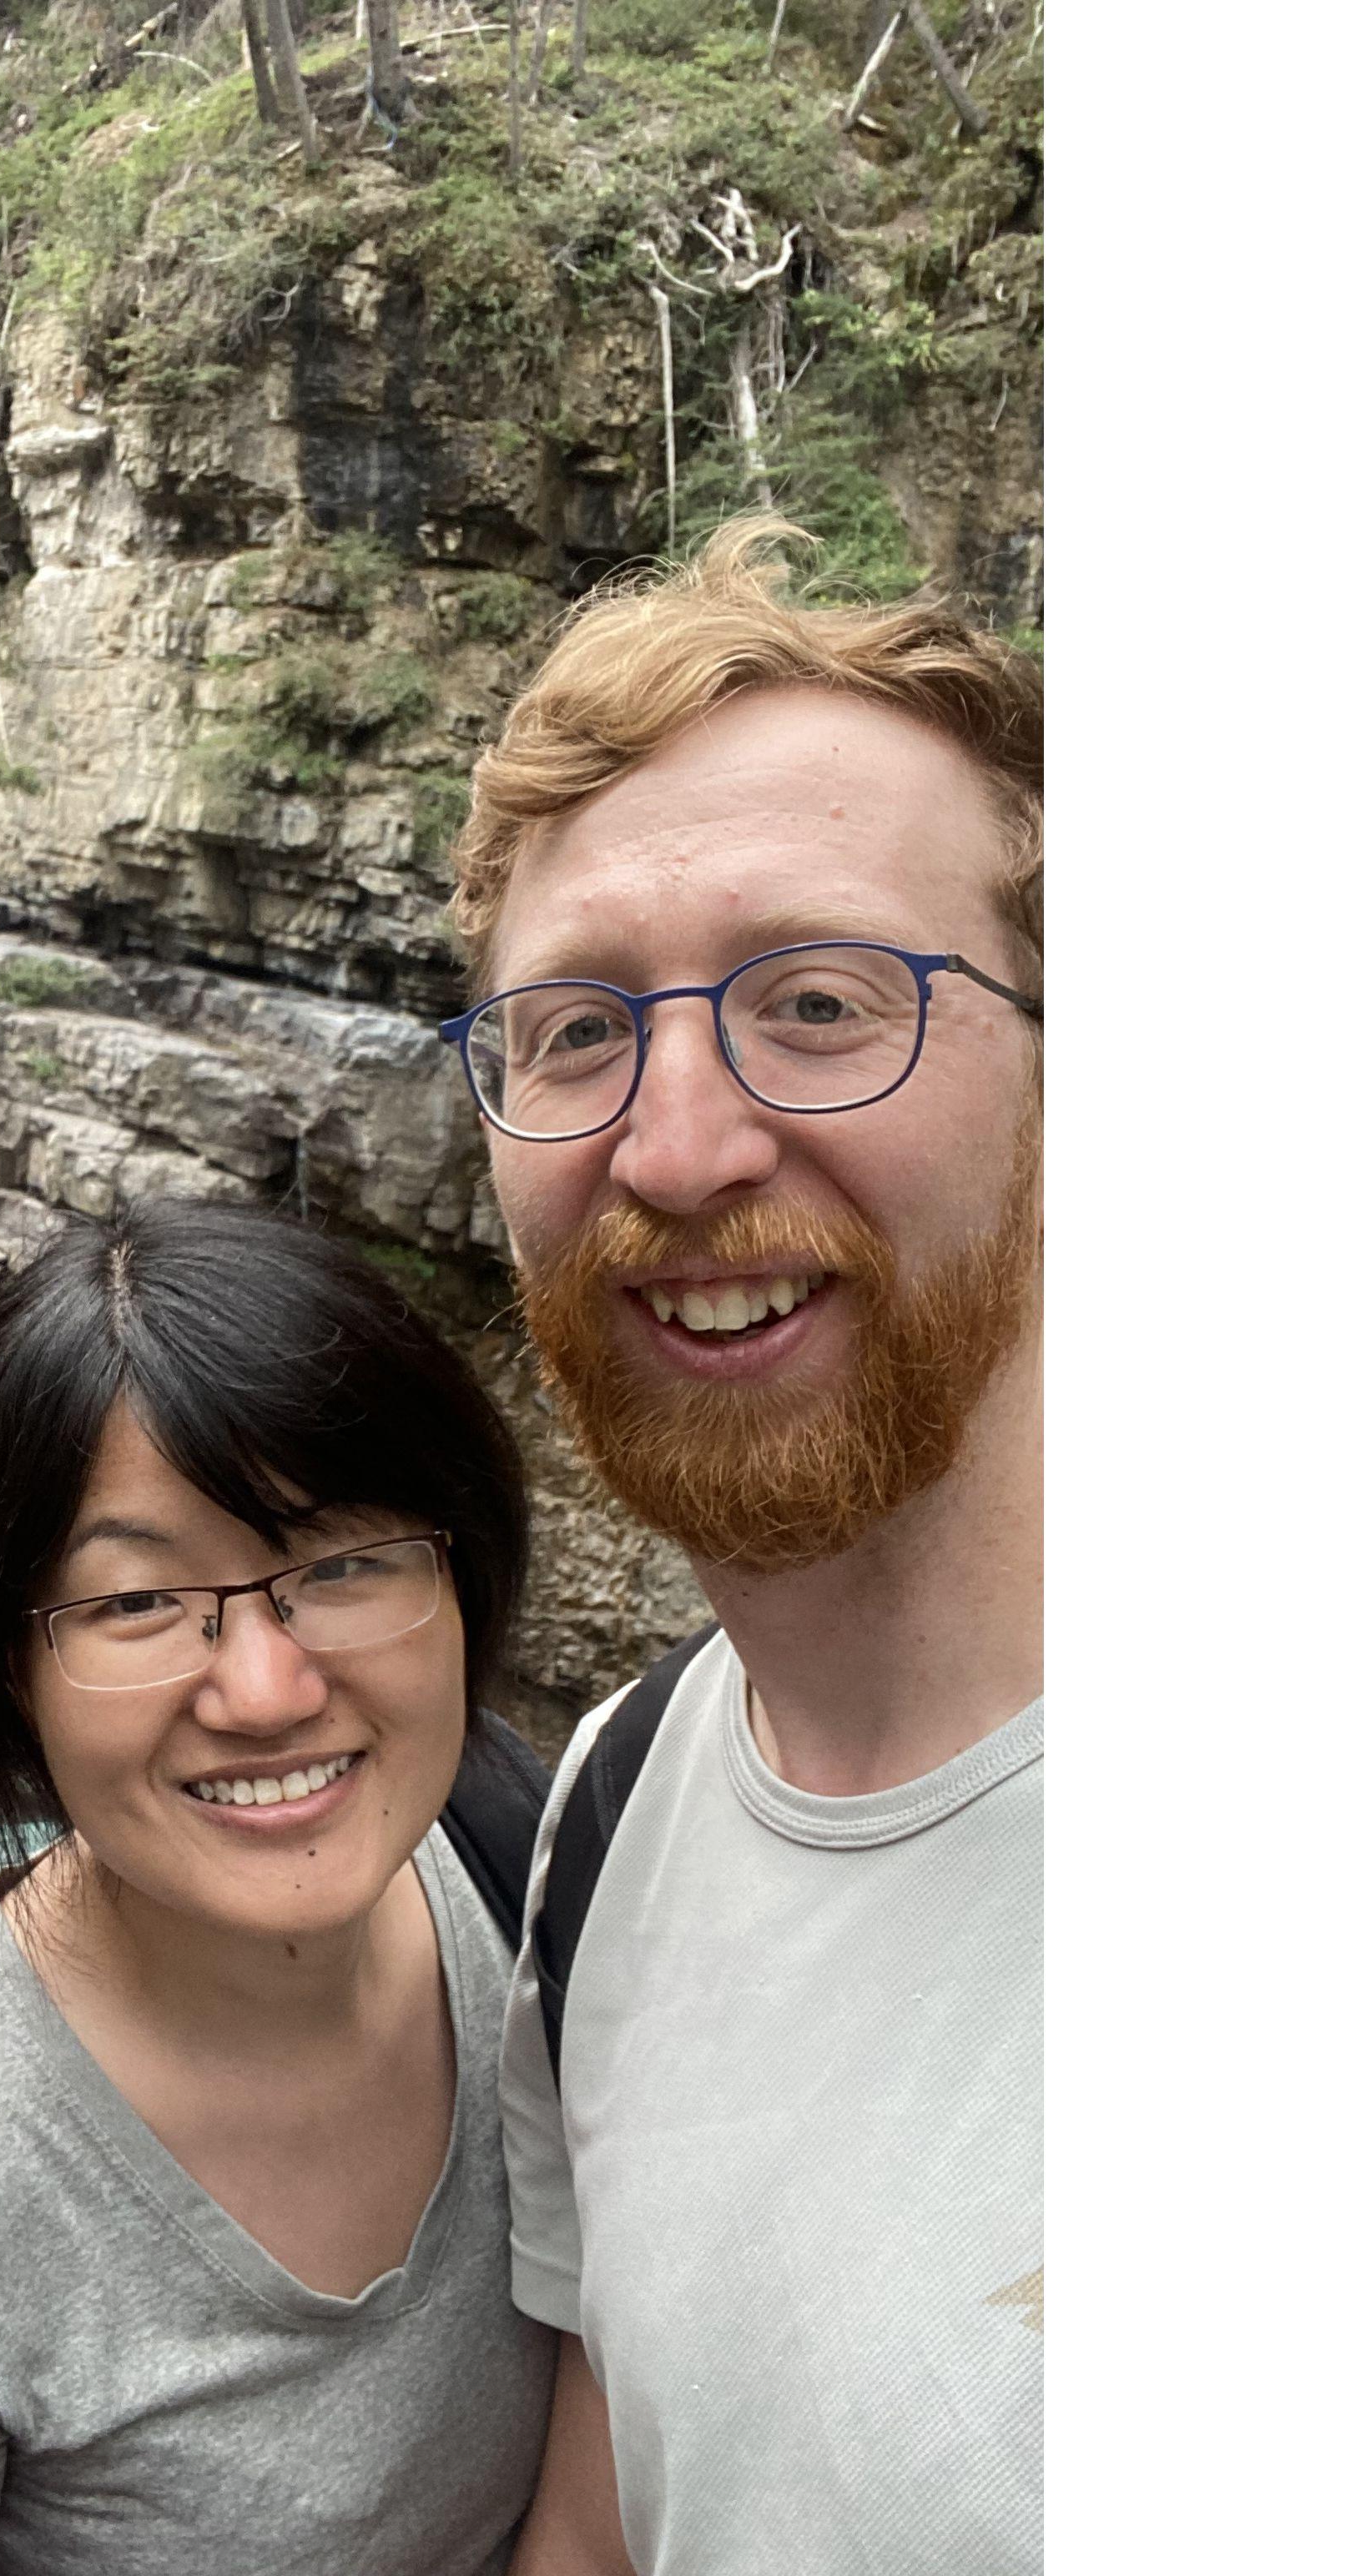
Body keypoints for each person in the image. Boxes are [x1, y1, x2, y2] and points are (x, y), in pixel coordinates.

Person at [436, 519, 1044, 2575]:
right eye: (574, 1032)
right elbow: (612, 2513)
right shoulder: (603, 1809)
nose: (677, 1148)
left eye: (814, 999)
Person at [0, 1198, 558, 2576]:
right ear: (11, 1674)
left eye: (341, 1565)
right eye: (136, 1604)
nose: (269, 1692)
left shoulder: (523, 1871)